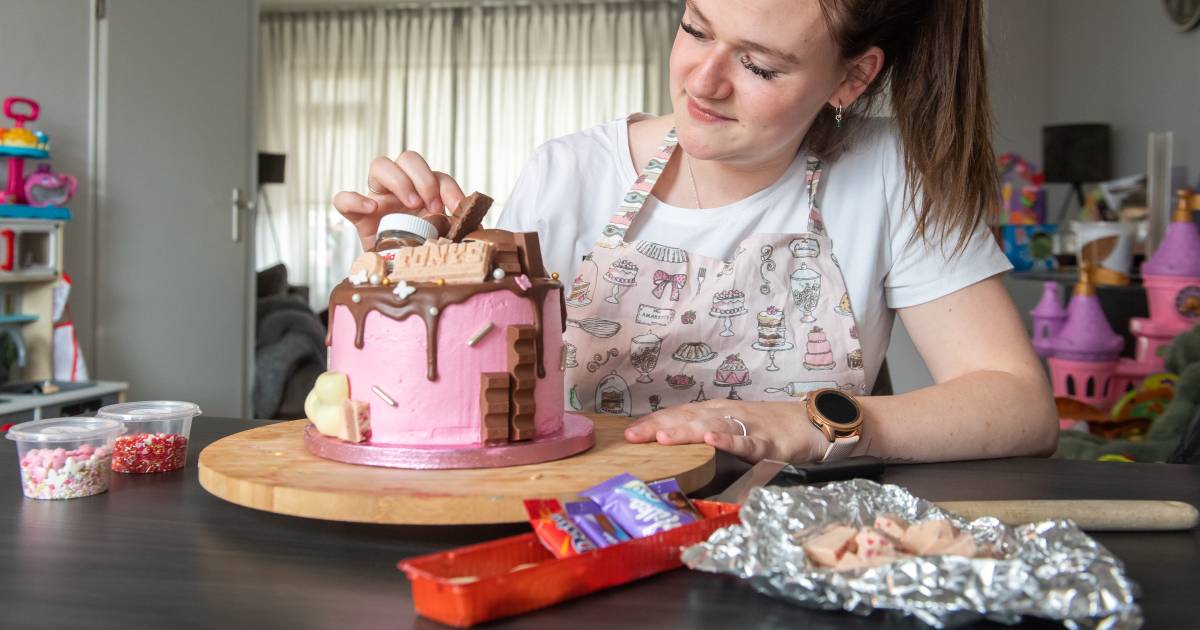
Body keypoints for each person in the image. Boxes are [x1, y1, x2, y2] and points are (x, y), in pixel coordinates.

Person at [333, 0, 1059, 465]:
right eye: (695, 28)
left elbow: (1017, 403)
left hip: (794, 540)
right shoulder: (571, 172)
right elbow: (471, 393)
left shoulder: (889, 174)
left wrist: (806, 425)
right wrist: (415, 273)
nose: (702, 82)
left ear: (851, 79)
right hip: (584, 529)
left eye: (757, 63)